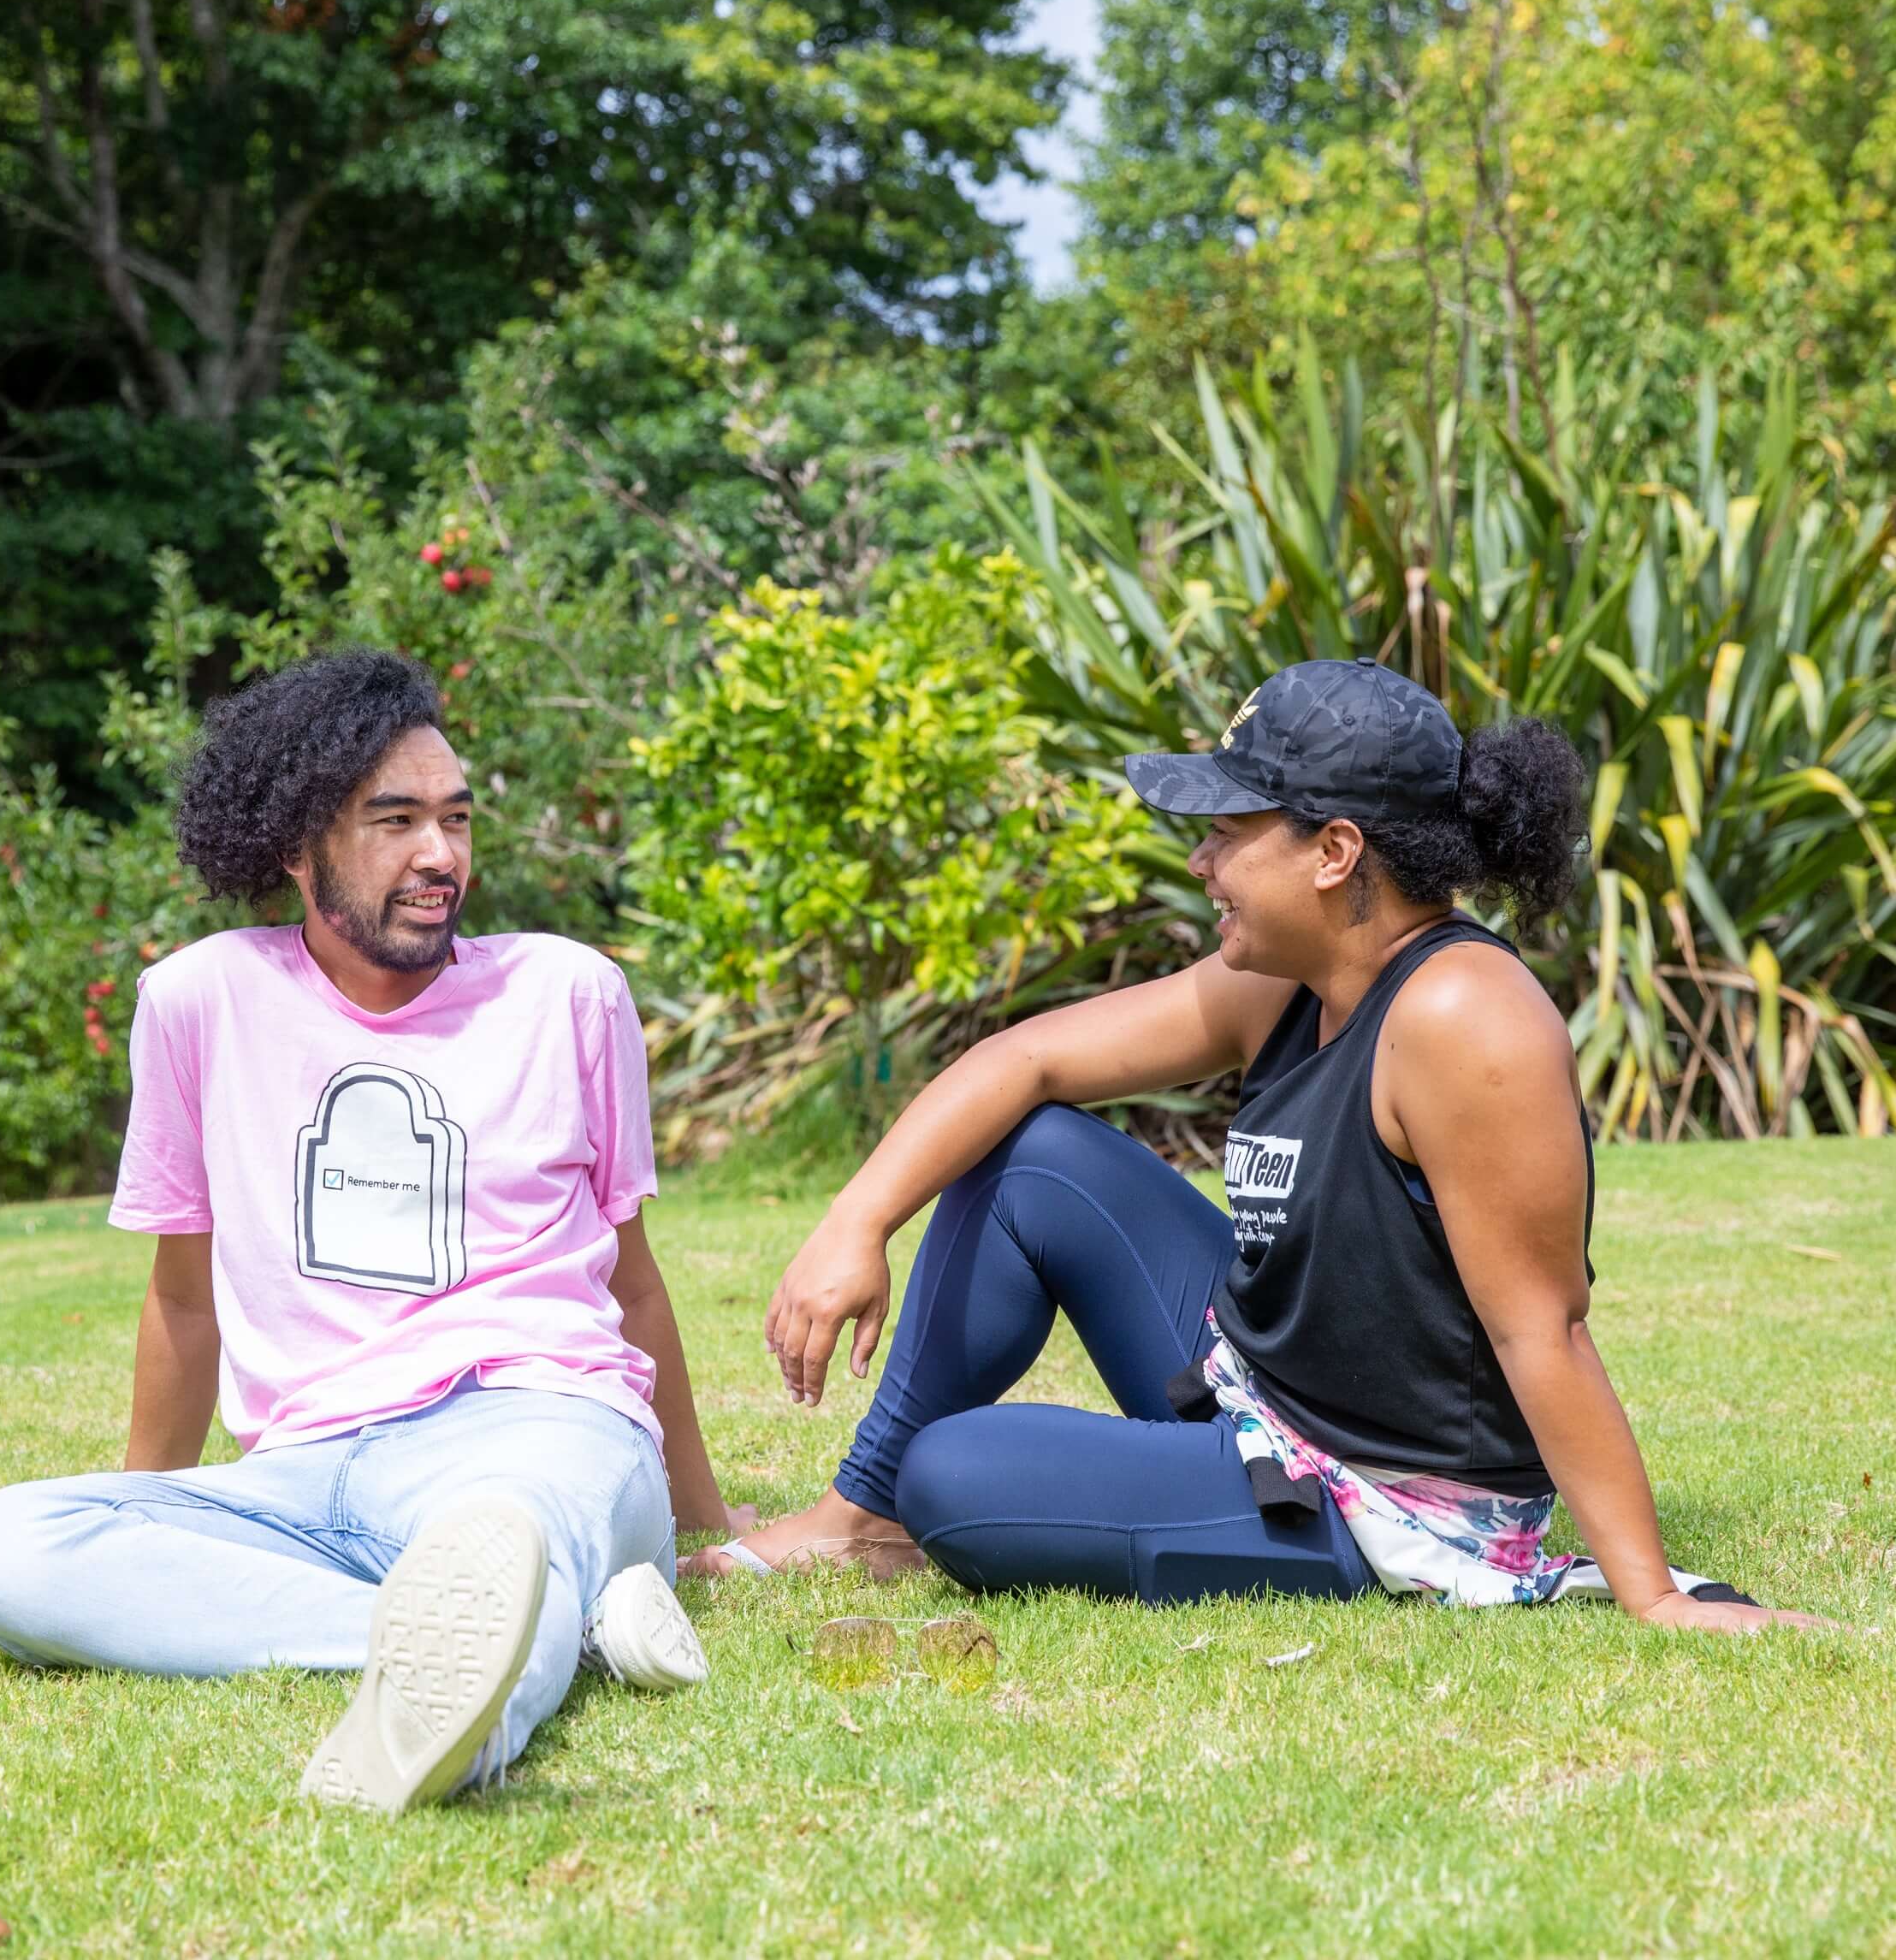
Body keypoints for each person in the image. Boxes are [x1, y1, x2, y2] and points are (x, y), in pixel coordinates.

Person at [693, 658, 1818, 1631]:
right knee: (1035, 1153)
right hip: (1262, 1390)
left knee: (959, 1477)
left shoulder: (1464, 1020)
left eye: (1226, 835)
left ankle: (915, 1502)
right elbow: (1026, 1061)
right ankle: (857, 1519)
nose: (1201, 866)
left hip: (1380, 1496)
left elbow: (1545, 1329)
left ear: (1333, 851)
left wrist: (1654, 1593)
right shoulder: (1285, 981)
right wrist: (857, 1220)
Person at [0, 651, 746, 1814]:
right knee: (9, 1548)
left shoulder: (567, 994)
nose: (443, 855)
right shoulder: (198, 1003)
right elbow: (183, 1296)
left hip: (536, 1422)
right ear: (295, 844)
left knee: (515, 1522)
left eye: (457, 819)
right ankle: (555, 1632)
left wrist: (697, 1520)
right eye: (398, 822)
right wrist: (153, 1514)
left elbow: (632, 1279)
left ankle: (452, 1722)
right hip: (310, 1469)